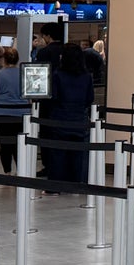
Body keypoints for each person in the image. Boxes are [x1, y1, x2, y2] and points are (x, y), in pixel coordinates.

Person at [42, 42, 93, 184]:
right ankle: (76, 184)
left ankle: (56, 185)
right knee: (77, 154)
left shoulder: (58, 75)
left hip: (59, 120)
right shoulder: (87, 76)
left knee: (58, 154)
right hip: (79, 120)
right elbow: (90, 99)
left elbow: (54, 97)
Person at [0, 46, 30, 174]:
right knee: (19, 144)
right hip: (22, 113)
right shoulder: (24, 74)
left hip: (2, 113)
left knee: (5, 144)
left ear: (4, 59)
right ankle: (20, 170)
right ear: (18, 59)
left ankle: (7, 172)